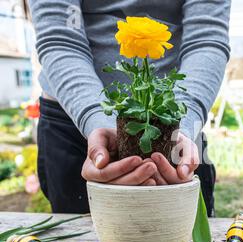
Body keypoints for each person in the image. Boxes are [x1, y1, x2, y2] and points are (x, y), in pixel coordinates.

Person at [27, 0, 231, 216]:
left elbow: (206, 38)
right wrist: (97, 120)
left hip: (172, 130)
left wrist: (179, 123)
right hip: (73, 118)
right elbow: (61, 38)